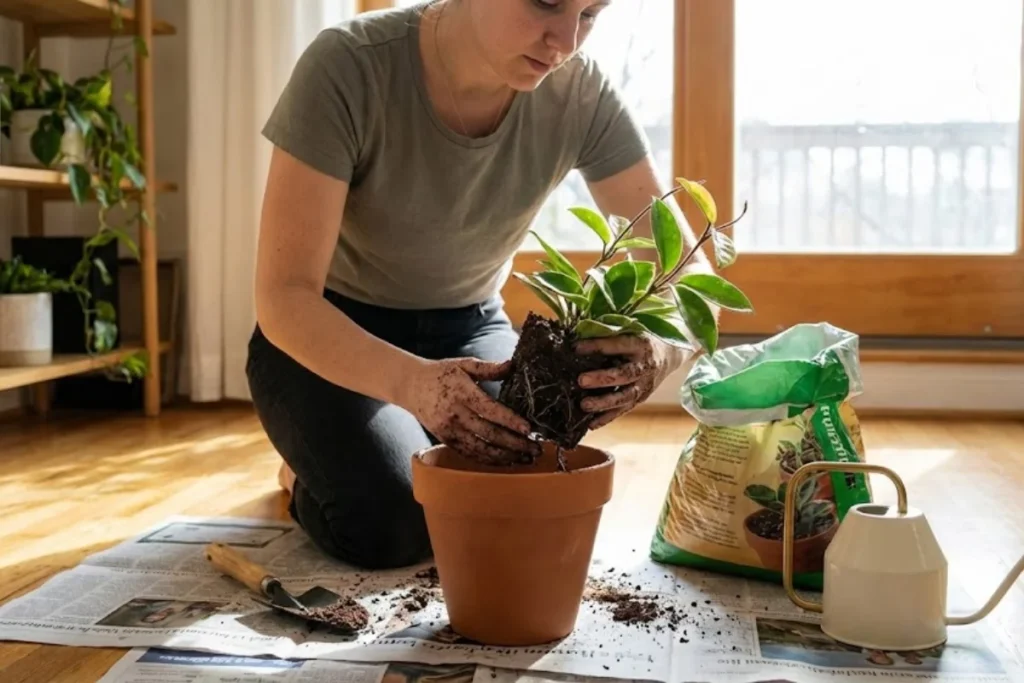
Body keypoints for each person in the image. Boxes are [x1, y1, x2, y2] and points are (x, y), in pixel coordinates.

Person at [247, 0, 715, 570]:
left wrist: (660, 353)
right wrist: (413, 386)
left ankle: (394, 441)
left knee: (525, 495)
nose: (565, 41)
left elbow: (693, 274)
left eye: (591, 13)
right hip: (331, 335)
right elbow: (285, 297)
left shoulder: (580, 92)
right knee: (392, 524)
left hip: (469, 329)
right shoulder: (348, 66)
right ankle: (302, 471)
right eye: (547, 2)